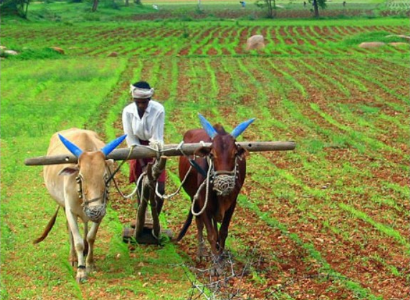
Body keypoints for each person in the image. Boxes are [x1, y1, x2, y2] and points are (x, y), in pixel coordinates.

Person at [122, 81, 166, 216]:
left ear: (149, 99)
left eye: (144, 102)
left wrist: (154, 165)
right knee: (141, 186)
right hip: (137, 149)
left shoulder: (158, 109)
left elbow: (157, 138)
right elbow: (131, 138)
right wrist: (141, 164)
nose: (141, 105)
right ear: (134, 100)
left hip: (155, 148)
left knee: (160, 188)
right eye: (138, 102)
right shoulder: (128, 111)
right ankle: (142, 216)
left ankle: (155, 218)